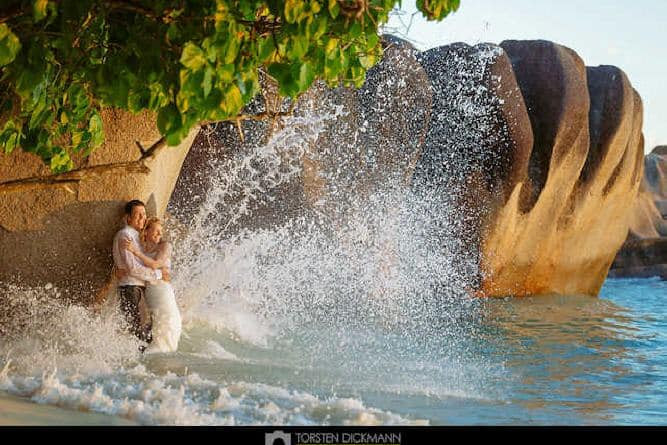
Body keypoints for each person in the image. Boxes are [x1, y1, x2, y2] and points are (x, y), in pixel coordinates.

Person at [112, 200, 169, 346]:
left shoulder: (138, 237)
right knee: (141, 333)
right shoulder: (125, 235)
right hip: (131, 289)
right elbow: (132, 269)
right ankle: (139, 366)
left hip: (138, 289)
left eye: (144, 215)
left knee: (144, 332)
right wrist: (157, 274)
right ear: (128, 218)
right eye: (138, 215)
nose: (142, 219)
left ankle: (140, 365)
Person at [122, 217, 182, 353]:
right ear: (146, 231)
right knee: (152, 328)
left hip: (162, 292)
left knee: (165, 326)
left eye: (161, 231)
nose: (160, 235)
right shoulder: (141, 248)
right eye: (156, 231)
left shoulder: (165, 246)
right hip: (149, 294)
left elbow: (156, 264)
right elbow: (137, 269)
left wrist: (135, 252)